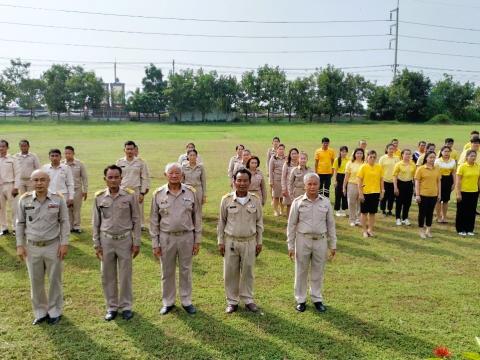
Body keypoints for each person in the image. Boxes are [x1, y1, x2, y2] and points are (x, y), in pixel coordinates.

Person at [16, 170, 69, 325]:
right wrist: (20, 245)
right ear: (32, 182)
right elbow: (20, 223)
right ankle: (40, 312)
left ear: (48, 181)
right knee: (35, 280)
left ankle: (54, 311)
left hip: (53, 245)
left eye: (42, 180)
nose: (39, 183)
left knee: (55, 280)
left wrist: (64, 243)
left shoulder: (58, 199)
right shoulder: (24, 200)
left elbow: (65, 222)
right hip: (32, 247)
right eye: (36, 180)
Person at [150, 163, 202, 315]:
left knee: (186, 270)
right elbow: (153, 220)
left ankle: (186, 301)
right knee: (167, 271)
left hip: (186, 237)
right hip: (166, 238)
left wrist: (197, 240)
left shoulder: (190, 192)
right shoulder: (158, 194)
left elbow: (197, 217)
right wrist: (155, 243)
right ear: (165, 175)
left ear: (182, 175)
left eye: (177, 173)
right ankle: (168, 302)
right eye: (171, 173)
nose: (174, 175)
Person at [92, 165, 141, 321]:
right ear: (105, 179)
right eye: (110, 177)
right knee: (107, 275)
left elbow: (136, 219)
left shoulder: (129, 196)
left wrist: (137, 241)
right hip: (106, 241)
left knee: (125, 275)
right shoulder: (99, 197)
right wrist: (96, 243)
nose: (113, 180)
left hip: (124, 240)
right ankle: (111, 307)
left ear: (121, 178)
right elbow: (95, 222)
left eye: (116, 177)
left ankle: (126, 306)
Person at [287, 172, 336, 313]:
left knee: (318, 271)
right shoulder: (298, 202)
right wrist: (290, 245)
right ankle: (300, 299)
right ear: (305, 185)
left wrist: (333, 245)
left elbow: (331, 225)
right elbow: (291, 225)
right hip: (303, 239)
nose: (312, 187)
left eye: (315, 184)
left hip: (320, 240)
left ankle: (317, 298)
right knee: (301, 270)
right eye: (309, 184)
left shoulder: (326, 202)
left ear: (319, 185)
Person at [217, 168, 263, 314]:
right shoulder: (226, 200)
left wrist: (259, 241)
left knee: (248, 272)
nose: (242, 183)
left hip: (250, 241)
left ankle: (248, 299)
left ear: (250, 182)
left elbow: (259, 223)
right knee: (230, 273)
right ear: (234, 182)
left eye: (245, 181)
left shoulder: (255, 200)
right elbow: (221, 222)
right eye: (239, 180)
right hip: (231, 241)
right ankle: (232, 301)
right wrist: (220, 241)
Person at [116, 141, 150, 229]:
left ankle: (140, 225)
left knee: (138, 209)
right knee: (123, 209)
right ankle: (125, 224)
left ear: (134, 150)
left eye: (131, 149)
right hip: (123, 189)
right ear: (124, 150)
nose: (129, 151)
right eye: (128, 149)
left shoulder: (141, 162)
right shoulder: (119, 162)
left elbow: (144, 177)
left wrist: (142, 193)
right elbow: (117, 177)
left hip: (136, 189)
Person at [415, 151, 441, 239]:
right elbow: (417, 182)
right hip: (423, 194)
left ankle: (428, 230)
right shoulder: (421, 169)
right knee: (422, 213)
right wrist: (417, 195)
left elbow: (438, 182)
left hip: (433, 194)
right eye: (430, 157)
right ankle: (421, 230)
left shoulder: (437, 169)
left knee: (430, 213)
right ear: (426, 158)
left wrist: (439, 194)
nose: (432, 159)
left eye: (434, 157)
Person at [357, 150, 384, 238]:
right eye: (370, 157)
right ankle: (364, 230)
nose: (372, 159)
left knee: (372, 213)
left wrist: (382, 191)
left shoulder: (379, 167)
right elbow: (359, 181)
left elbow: (381, 180)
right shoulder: (363, 167)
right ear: (367, 157)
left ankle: (370, 229)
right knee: (364, 213)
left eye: (374, 157)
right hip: (365, 193)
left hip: (375, 192)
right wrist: (360, 193)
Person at [63, 146, 88, 233]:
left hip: (77, 189)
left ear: (73, 154)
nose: (67, 155)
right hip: (66, 190)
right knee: (68, 208)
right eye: (66, 153)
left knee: (76, 208)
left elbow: (84, 178)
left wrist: (85, 190)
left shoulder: (79, 164)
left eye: (69, 153)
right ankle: (69, 226)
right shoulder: (62, 165)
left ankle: (77, 226)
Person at [455, 150, 480, 236]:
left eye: (474, 156)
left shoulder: (477, 166)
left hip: (474, 192)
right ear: (467, 157)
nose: (473, 157)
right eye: (471, 156)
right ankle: (460, 229)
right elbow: (458, 181)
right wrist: (458, 193)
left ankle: (469, 229)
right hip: (463, 192)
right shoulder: (462, 167)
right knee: (462, 211)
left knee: (471, 211)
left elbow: (478, 180)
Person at [393, 149, 416, 226]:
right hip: (400, 184)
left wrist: (414, 187)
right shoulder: (398, 164)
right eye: (406, 154)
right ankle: (398, 218)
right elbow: (395, 176)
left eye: (409, 154)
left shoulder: (413, 164)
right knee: (399, 202)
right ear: (402, 155)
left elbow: (414, 177)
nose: (408, 156)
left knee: (407, 203)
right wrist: (395, 187)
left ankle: (405, 218)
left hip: (409, 184)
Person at [0, 139, 18, 235]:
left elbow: (18, 174)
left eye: (3, 146)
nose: (1, 148)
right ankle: (4, 228)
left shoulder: (12, 159)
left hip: (10, 185)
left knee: (14, 207)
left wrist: (16, 187)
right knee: (1, 208)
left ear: (7, 148)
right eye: (0, 146)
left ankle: (15, 228)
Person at [343, 148, 365, 227]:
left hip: (362, 186)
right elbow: (346, 177)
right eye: (357, 153)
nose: (359, 155)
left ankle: (358, 219)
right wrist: (344, 187)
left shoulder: (365, 163)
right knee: (351, 203)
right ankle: (352, 219)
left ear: (363, 155)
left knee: (360, 203)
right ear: (354, 154)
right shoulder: (350, 163)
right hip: (352, 185)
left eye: (361, 153)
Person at [434, 146, 456, 224]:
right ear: (441, 152)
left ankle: (444, 217)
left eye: (448, 151)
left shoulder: (453, 161)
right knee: (438, 199)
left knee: (446, 200)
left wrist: (454, 183)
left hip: (448, 180)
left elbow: (453, 173)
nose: (446, 153)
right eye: (445, 151)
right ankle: (438, 217)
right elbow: (435, 173)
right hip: (439, 180)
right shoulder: (437, 161)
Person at [379, 143, 400, 216]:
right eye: (390, 149)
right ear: (386, 149)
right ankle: (383, 210)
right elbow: (379, 169)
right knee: (384, 196)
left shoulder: (397, 158)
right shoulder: (382, 158)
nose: (391, 150)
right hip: (384, 180)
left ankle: (390, 210)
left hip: (393, 181)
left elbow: (398, 169)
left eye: (393, 149)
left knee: (391, 197)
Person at [269, 144, 286, 216]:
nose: (281, 150)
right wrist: (271, 181)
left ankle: (282, 210)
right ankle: (276, 211)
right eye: (280, 149)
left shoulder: (286, 158)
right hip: (276, 179)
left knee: (282, 197)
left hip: (284, 180)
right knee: (276, 197)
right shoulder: (273, 158)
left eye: (282, 149)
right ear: (277, 150)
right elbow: (270, 170)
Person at [281, 148, 299, 216]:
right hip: (288, 187)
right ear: (290, 155)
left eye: (295, 153)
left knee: (298, 205)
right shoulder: (286, 164)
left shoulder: (300, 164)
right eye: (292, 154)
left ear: (298, 154)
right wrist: (284, 188)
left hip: (298, 188)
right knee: (289, 205)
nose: (294, 155)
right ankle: (289, 221)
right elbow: (283, 177)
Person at [332, 146, 348, 217]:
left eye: (345, 151)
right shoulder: (337, 160)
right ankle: (338, 210)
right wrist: (335, 180)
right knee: (338, 194)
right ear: (340, 152)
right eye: (342, 151)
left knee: (344, 194)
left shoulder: (349, 160)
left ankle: (343, 209)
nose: (344, 153)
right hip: (339, 177)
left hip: (346, 177)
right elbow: (335, 171)